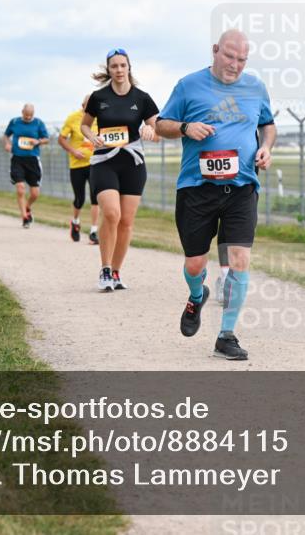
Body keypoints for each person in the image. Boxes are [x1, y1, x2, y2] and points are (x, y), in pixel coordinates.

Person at [155, 29, 276, 361]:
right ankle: (197, 295)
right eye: (229, 56)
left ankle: (226, 335)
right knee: (195, 264)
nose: (235, 65)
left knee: (239, 259)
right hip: (197, 188)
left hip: (242, 186)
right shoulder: (188, 85)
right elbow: (161, 124)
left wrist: (266, 148)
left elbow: (267, 125)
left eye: (242, 60)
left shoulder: (255, 87)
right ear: (215, 50)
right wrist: (185, 128)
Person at [80, 48, 159, 292]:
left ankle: (116, 272)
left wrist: (150, 130)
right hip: (104, 161)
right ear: (109, 69)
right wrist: (91, 136)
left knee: (126, 221)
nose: (119, 70)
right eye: (114, 66)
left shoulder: (142, 98)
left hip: (133, 163)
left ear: (129, 67)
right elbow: (85, 125)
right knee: (112, 213)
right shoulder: (98, 97)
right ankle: (105, 269)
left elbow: (158, 130)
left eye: (123, 65)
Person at [58, 94, 99, 244]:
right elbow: (61, 139)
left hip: (95, 163)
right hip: (77, 165)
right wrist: (73, 151)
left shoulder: (100, 118)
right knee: (79, 198)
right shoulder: (73, 118)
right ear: (83, 106)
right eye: (88, 105)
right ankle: (75, 222)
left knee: (96, 198)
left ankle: (94, 231)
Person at [4, 103, 49, 228]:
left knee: (35, 194)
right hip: (17, 159)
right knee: (20, 188)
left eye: (31, 115)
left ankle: (27, 207)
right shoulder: (14, 122)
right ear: (22, 112)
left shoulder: (38, 123)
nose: (28, 117)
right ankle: (24, 217)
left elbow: (46, 139)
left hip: (33, 160)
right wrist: (7, 144)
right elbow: (6, 135)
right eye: (26, 115)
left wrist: (38, 141)